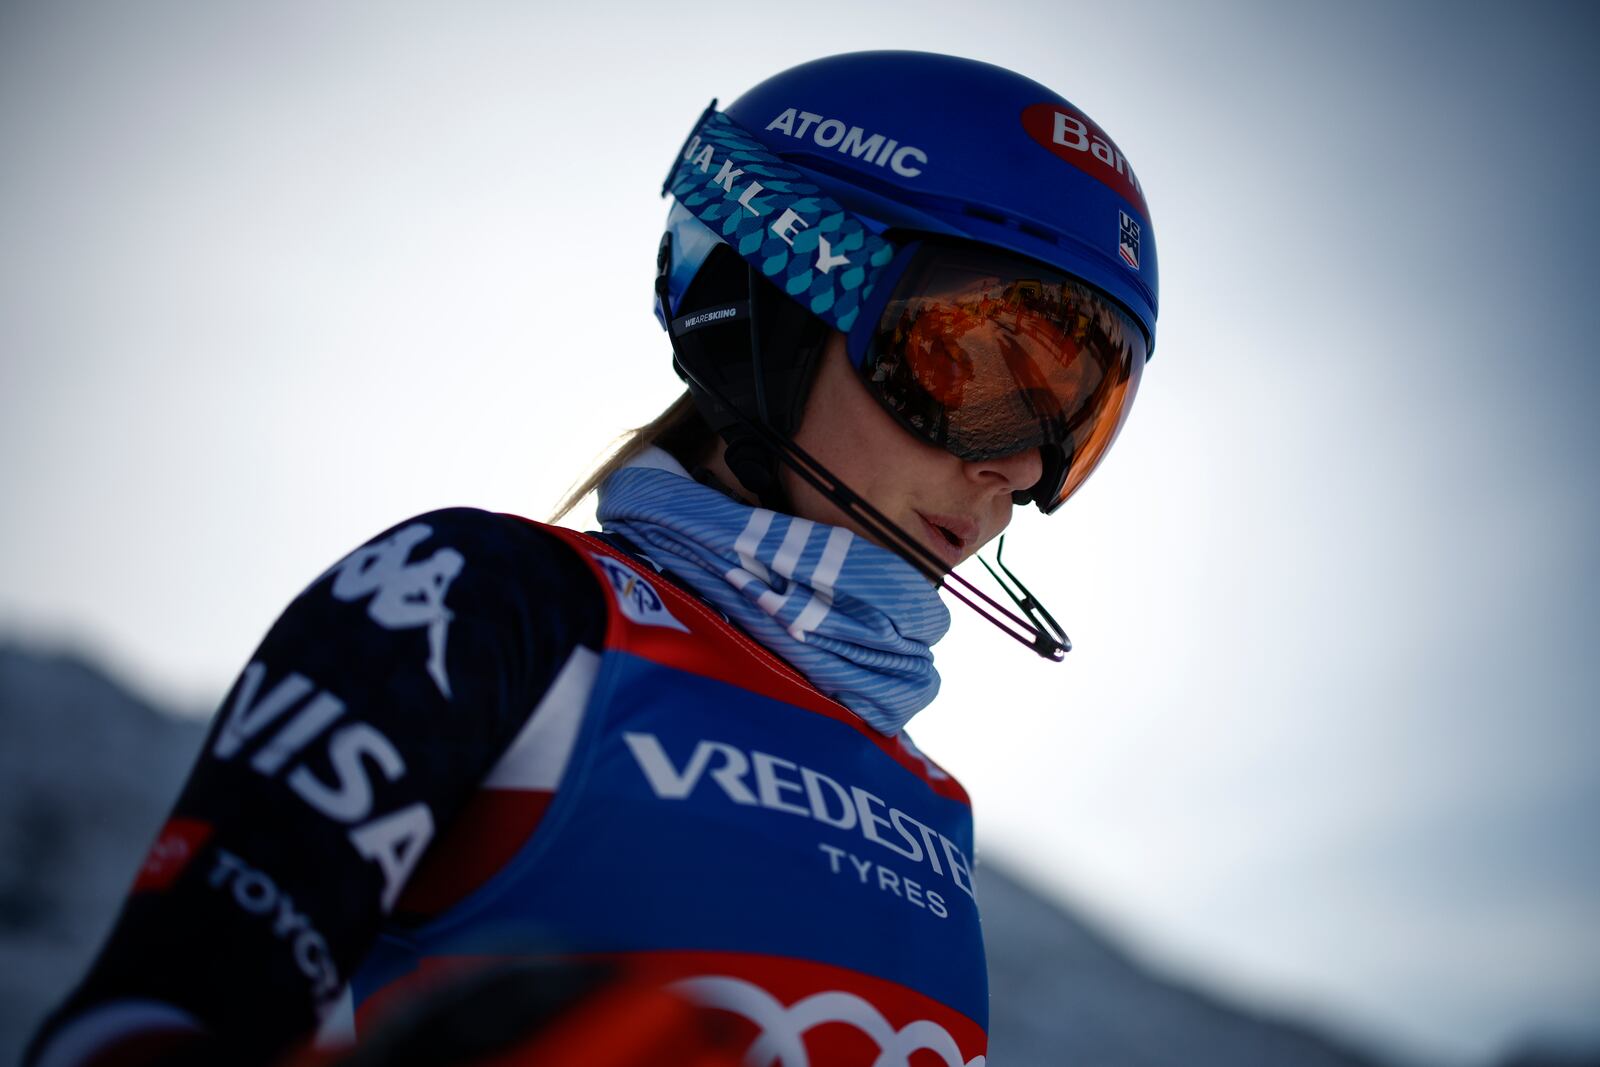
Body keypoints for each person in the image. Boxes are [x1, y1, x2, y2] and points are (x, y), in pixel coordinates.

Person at [26, 50, 1158, 1067]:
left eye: (1077, 421)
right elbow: (142, 1021)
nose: (1019, 471)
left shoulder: (932, 809)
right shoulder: (479, 600)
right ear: (782, 290)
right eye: (979, 371)